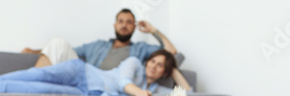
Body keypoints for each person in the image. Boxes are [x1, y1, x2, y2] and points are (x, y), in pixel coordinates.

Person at [0, 50, 191, 96]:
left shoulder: (156, 87)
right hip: (80, 72)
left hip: (86, 94)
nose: (156, 68)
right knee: (36, 74)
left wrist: (175, 67)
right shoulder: (134, 64)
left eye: (162, 67)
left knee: (38, 91)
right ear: (148, 61)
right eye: (155, 62)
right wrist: (137, 92)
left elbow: (189, 95)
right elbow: (120, 81)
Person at [22, 8, 178, 70]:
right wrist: (34, 51)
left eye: (129, 22)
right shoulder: (98, 45)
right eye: (121, 21)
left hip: (106, 83)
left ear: (134, 27)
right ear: (115, 25)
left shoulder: (140, 48)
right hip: (84, 74)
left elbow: (172, 51)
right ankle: (32, 82)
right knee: (58, 43)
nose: (124, 25)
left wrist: (153, 30)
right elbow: (63, 52)